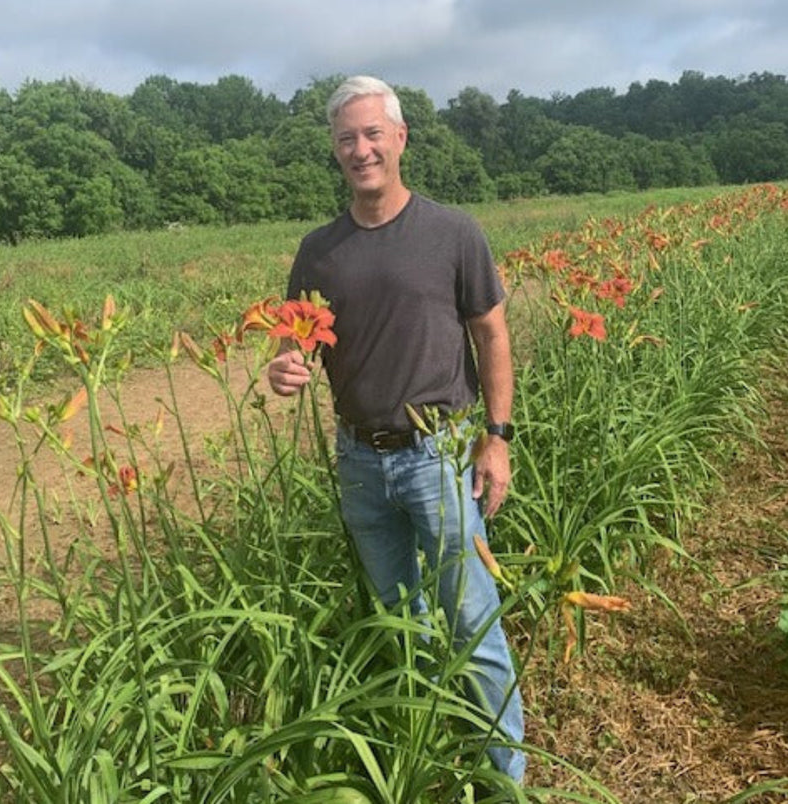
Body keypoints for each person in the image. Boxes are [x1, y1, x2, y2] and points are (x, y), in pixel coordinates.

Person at [267, 75, 525, 783]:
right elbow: (294, 342)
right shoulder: (318, 251)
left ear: (401, 138)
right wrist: (283, 368)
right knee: (396, 622)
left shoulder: (453, 232)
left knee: (472, 622)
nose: (361, 150)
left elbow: (492, 334)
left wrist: (497, 437)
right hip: (359, 460)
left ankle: (506, 780)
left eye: (373, 133)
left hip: (439, 455)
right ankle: (427, 753)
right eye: (346, 138)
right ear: (334, 150)